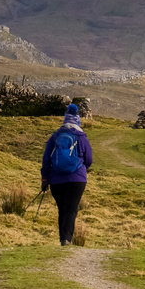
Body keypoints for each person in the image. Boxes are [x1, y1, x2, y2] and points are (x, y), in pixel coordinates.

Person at [40, 104, 93, 246]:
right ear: (78, 120)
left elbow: (46, 160)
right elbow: (89, 160)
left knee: (62, 209)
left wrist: (45, 178)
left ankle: (63, 238)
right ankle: (66, 240)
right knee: (71, 209)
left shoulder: (55, 137)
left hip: (56, 180)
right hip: (77, 180)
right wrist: (80, 169)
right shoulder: (81, 137)